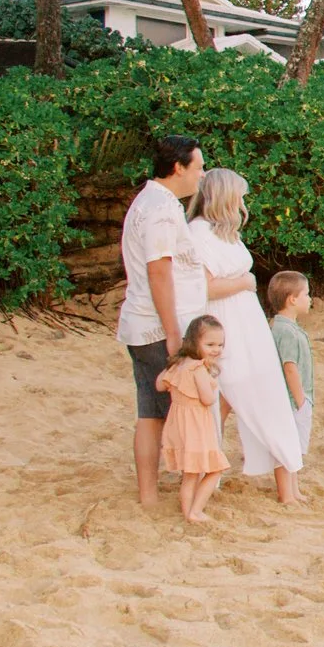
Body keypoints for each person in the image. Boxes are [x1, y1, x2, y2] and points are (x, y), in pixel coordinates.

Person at [187, 171, 305, 505]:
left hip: (246, 321)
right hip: (223, 322)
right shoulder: (198, 234)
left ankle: (287, 486)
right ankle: (207, 475)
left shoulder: (227, 233)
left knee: (262, 394)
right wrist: (244, 283)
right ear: (224, 198)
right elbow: (204, 286)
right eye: (239, 196)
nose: (243, 203)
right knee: (222, 397)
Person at [117, 136, 207, 508]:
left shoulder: (155, 202)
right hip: (155, 328)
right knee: (181, 413)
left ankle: (150, 496)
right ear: (178, 168)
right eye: (198, 167)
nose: (202, 175)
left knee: (150, 414)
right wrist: (173, 333)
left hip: (145, 324)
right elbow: (159, 271)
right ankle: (186, 498)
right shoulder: (160, 209)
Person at [155, 316, 230, 523]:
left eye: (220, 345)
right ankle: (195, 511)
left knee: (190, 475)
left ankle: (188, 513)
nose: (216, 350)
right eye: (210, 344)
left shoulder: (179, 364)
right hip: (197, 426)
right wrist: (211, 382)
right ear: (194, 343)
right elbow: (207, 399)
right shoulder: (198, 369)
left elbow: (160, 384)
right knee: (215, 469)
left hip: (179, 424)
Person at [266, 271, 315, 454]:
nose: (310, 298)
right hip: (294, 403)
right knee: (294, 451)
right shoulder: (287, 331)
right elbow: (290, 368)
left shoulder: (281, 327)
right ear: (292, 300)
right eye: (306, 294)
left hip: (290, 401)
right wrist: (301, 402)